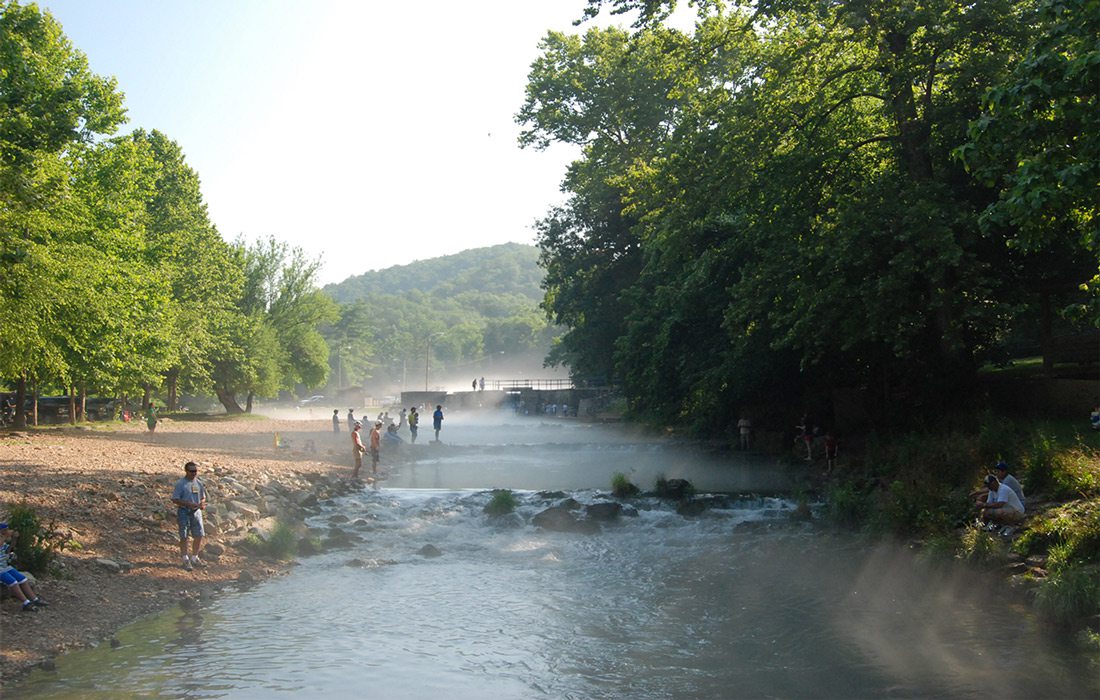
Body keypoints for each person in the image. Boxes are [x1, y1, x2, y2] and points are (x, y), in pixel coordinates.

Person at [0, 523, 49, 612]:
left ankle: (34, 599)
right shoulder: (1, 541)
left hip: (5, 566)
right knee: (13, 582)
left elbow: (8, 550)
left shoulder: (4, 542)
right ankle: (25, 602)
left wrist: (14, 539)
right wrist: (6, 536)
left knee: (22, 579)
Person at [171, 461, 207, 571]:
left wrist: (202, 504)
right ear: (186, 471)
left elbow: (203, 497)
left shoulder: (198, 483)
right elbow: (174, 499)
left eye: (195, 471)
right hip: (184, 512)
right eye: (191, 471)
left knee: (199, 535)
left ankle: (195, 557)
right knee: (184, 536)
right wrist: (188, 504)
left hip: (196, 513)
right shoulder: (181, 484)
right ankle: (185, 558)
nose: (194, 473)